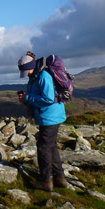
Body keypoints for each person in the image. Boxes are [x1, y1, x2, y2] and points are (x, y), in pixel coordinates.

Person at [18, 51, 68, 192]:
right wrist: (27, 97)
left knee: (43, 147)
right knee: (51, 146)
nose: (26, 74)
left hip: (50, 117)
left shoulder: (43, 76)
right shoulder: (34, 76)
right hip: (49, 116)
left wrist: (28, 99)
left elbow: (48, 99)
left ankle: (46, 180)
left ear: (31, 66)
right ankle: (59, 178)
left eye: (26, 71)